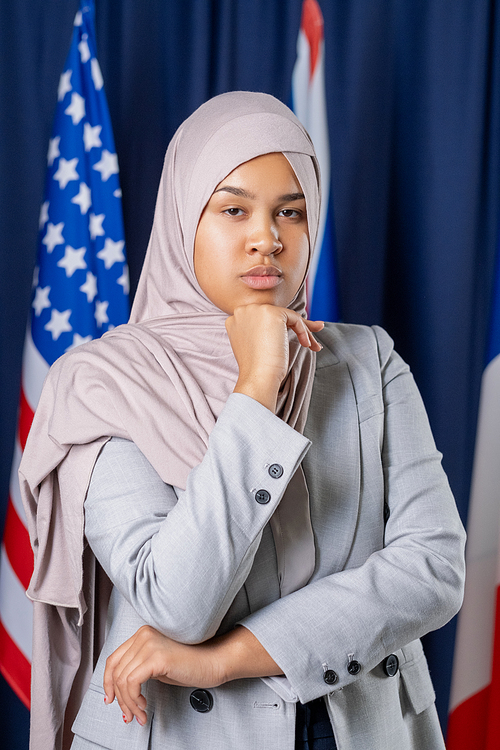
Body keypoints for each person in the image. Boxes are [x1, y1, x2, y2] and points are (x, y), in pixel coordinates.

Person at [20, 92, 466, 750]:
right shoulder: (105, 382)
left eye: (292, 211)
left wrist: (226, 659)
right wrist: (257, 387)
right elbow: (177, 603)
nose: (269, 237)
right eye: (234, 209)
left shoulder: (369, 361)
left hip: (363, 728)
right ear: (182, 221)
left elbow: (433, 569)